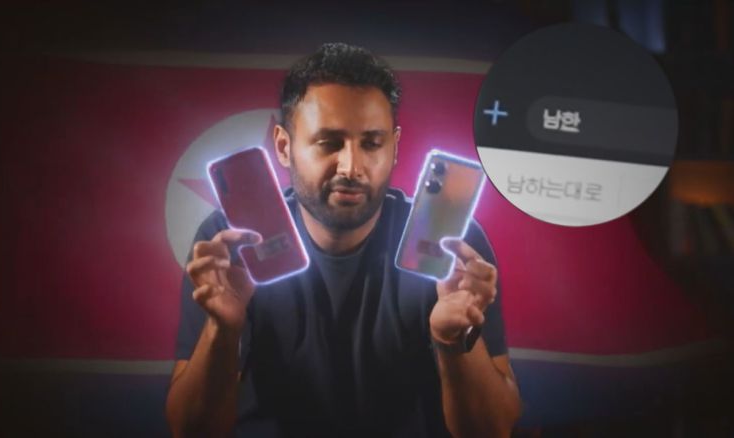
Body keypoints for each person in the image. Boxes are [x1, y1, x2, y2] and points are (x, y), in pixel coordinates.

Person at [165, 42, 522, 437]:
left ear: (394, 147)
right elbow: (191, 431)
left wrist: (451, 341)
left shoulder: (454, 245)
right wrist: (223, 330)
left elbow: (492, 431)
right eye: (329, 143)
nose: (351, 167)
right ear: (284, 147)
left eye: (371, 143)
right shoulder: (229, 244)